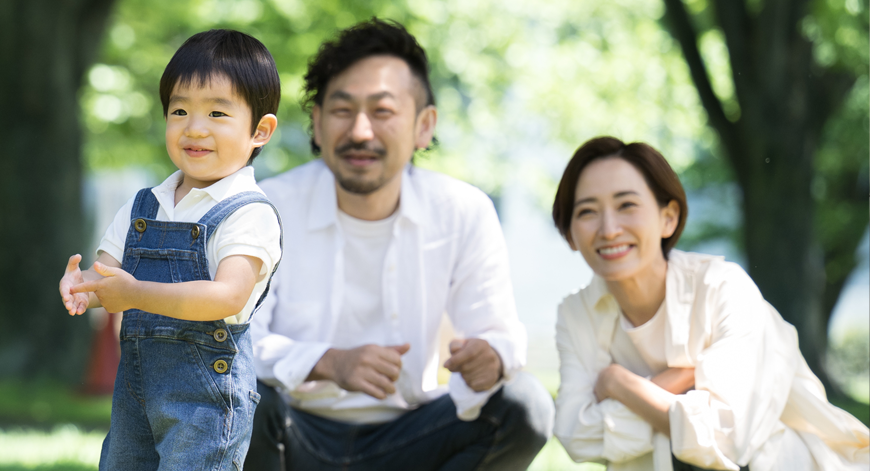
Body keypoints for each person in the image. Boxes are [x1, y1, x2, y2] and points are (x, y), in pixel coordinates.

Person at [246, 19, 553, 471]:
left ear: (423, 126)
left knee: (524, 405)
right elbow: (235, 344)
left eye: (383, 111)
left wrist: (490, 357)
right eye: (342, 110)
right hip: (294, 435)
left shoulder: (463, 210)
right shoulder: (267, 206)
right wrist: (329, 363)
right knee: (244, 398)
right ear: (316, 122)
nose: (361, 131)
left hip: (414, 434)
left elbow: (500, 335)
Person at [551, 136, 869, 470]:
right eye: (587, 211)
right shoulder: (576, 313)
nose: (609, 229)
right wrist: (676, 385)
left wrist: (619, 383)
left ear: (668, 218)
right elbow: (575, 435)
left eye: (626, 205)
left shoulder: (723, 288)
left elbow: (726, 440)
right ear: (571, 233)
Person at [57, 29, 284, 470]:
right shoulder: (146, 204)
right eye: (179, 110)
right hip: (136, 391)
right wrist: (83, 285)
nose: (194, 128)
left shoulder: (248, 214)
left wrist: (137, 294)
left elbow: (226, 297)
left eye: (217, 113)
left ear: (260, 130)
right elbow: (109, 274)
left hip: (206, 401)